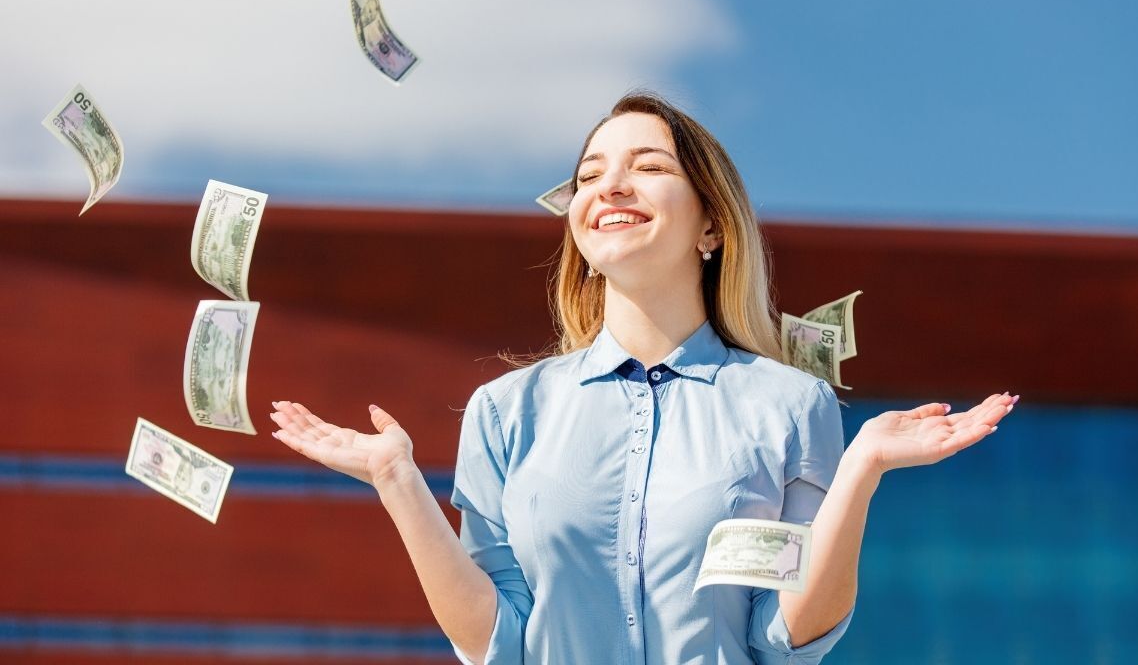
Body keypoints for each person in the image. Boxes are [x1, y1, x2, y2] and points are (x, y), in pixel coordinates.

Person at [269, 92, 1017, 664]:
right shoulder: (505, 412)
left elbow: (783, 637)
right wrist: (397, 480)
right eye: (590, 176)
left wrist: (861, 468)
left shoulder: (790, 406)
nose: (611, 187)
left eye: (649, 168)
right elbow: (498, 642)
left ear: (711, 226)